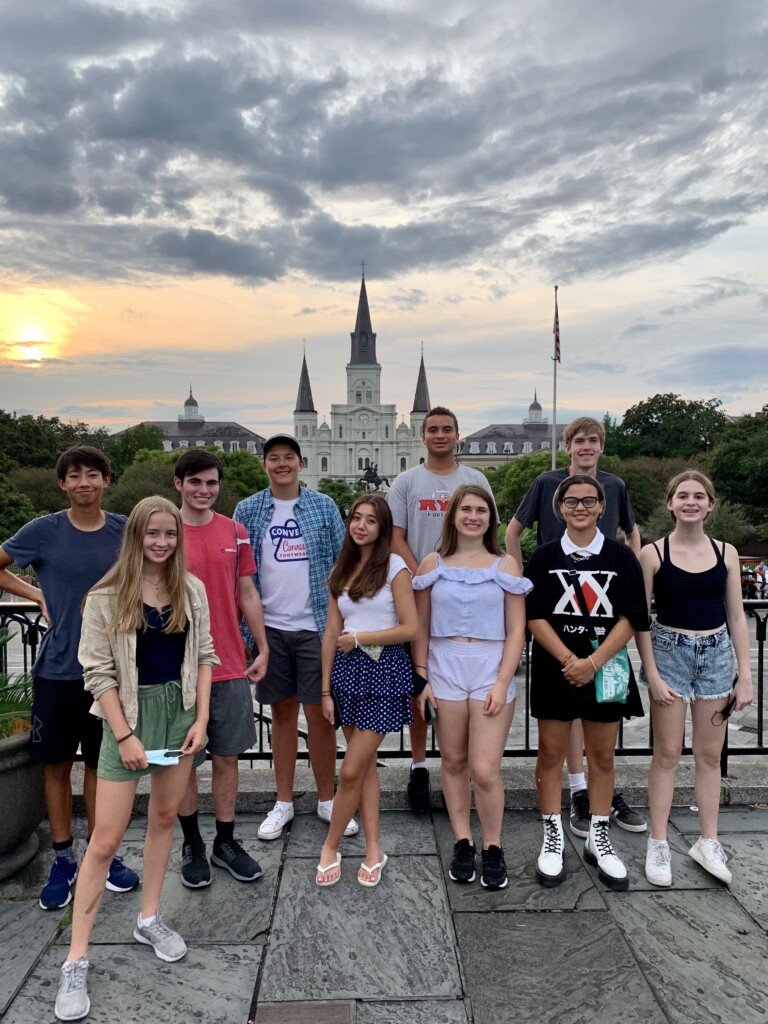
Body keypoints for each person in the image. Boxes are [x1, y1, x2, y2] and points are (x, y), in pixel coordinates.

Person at [53, 496, 217, 1022]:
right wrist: (123, 735)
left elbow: (206, 655)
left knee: (165, 818)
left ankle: (148, 917)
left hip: (178, 712)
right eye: (153, 534)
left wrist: (200, 719)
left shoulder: (190, 589)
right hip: (128, 716)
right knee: (104, 840)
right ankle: (76, 958)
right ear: (137, 537)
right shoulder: (105, 595)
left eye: (170, 534)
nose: (162, 542)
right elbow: (97, 673)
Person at [0, 445, 140, 910]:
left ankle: (104, 854)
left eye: (93, 475)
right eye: (75, 475)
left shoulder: (124, 531)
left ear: (106, 481)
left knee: (103, 768)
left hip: (112, 672)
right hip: (59, 669)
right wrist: (33, 592)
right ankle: (63, 859)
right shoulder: (43, 531)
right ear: (62, 483)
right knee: (57, 765)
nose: (84, 482)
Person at [505, 416, 645, 839]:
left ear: (600, 506)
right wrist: (518, 575)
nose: (581, 507)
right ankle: (576, 792)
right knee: (554, 741)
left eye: (593, 440)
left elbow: (632, 541)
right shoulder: (546, 487)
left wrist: (633, 573)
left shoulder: (615, 489)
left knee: (604, 748)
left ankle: (599, 810)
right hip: (558, 639)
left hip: (607, 649)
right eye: (579, 440)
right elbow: (514, 533)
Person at [524, 475, 649, 891]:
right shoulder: (542, 557)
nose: (580, 507)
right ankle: (553, 834)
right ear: (560, 508)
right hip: (554, 668)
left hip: (606, 668)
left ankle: (599, 836)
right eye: (572, 501)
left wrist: (593, 662)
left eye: (589, 501)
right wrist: (569, 659)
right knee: (550, 755)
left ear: (601, 507)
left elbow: (632, 617)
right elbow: (534, 614)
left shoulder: (621, 556)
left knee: (603, 757)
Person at [234, 434, 358, 841]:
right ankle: (283, 801)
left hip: (316, 628)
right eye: (274, 458)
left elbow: (345, 563)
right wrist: (245, 636)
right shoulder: (248, 509)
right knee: (281, 715)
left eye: (289, 458)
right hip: (270, 630)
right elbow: (241, 574)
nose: (282, 464)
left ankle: (327, 797)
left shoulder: (323, 506)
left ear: (301, 463)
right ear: (265, 464)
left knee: (320, 717)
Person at [636, 471, 753, 888]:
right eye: (682, 495)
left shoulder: (727, 552)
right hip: (670, 652)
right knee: (666, 754)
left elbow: (737, 615)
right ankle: (659, 841)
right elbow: (641, 620)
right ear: (670, 504)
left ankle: (708, 839)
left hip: (717, 654)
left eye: (698, 496)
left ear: (710, 505)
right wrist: (650, 671)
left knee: (709, 755)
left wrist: (746, 675)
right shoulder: (653, 553)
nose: (690, 501)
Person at [412, 485, 530, 890]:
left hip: (488, 666)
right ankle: (463, 840)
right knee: (453, 762)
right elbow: (422, 625)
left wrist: (502, 681)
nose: (474, 516)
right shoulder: (433, 562)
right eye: (466, 509)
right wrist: (422, 676)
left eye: (482, 510)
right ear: (453, 515)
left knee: (484, 768)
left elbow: (517, 630)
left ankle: (493, 844)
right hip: (443, 666)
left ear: (491, 518)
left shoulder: (505, 565)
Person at [387, 406, 497, 814]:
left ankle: (465, 765)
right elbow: (396, 538)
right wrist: (426, 577)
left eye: (446, 430)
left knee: (464, 687)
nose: (439, 435)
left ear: (457, 435)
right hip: (420, 591)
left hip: (468, 594)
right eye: (432, 429)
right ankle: (419, 767)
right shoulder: (406, 481)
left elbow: (490, 535)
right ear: (422, 435)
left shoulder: (475, 480)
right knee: (422, 680)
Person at [173, 450, 269, 888]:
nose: (204, 490)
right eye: (196, 482)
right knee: (184, 762)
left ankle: (225, 842)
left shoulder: (235, 530)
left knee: (227, 757)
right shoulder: (161, 531)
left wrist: (261, 646)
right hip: (175, 667)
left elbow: (246, 591)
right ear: (179, 484)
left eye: (212, 483)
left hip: (228, 660)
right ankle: (192, 842)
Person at [316, 495, 417, 887]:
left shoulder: (395, 567)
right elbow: (329, 633)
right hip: (347, 674)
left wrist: (359, 637)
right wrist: (325, 690)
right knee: (366, 768)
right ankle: (374, 848)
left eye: (371, 520)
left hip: (383, 671)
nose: (361, 526)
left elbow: (409, 627)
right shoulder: (341, 568)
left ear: (383, 526)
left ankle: (330, 846)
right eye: (356, 518)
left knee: (352, 767)